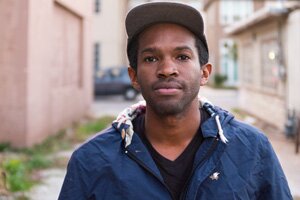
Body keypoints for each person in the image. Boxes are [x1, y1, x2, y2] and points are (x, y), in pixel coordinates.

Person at [58, 2, 292, 200]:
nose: (167, 69)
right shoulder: (91, 161)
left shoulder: (252, 150)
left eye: (182, 56)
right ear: (134, 76)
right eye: (151, 58)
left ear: (204, 73)